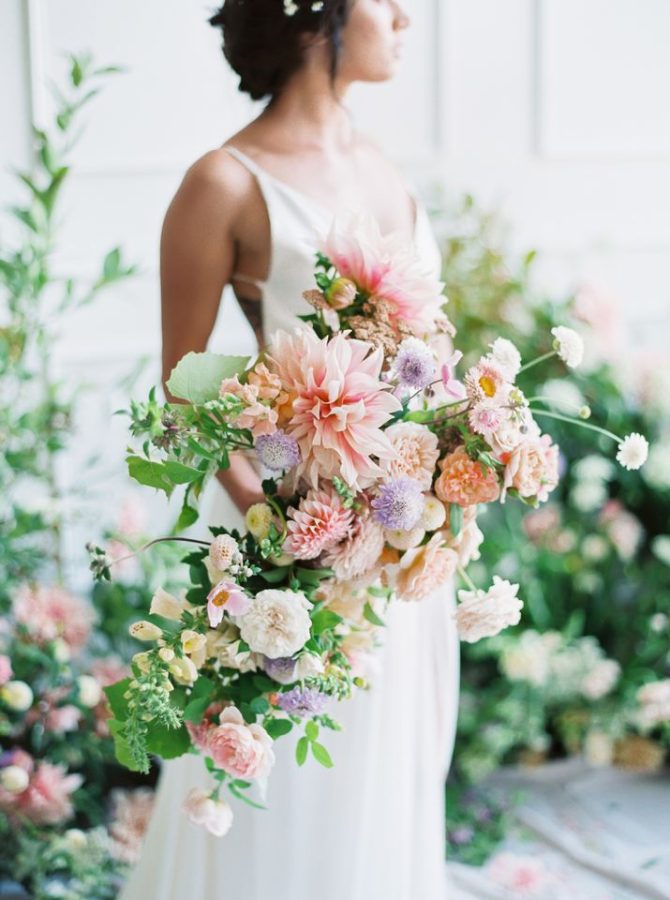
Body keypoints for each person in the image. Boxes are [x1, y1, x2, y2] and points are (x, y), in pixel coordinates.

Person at [119, 1, 460, 897]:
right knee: (293, 792)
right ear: (322, 10)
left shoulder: (381, 161)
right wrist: (285, 539)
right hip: (295, 556)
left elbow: (430, 364)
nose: (404, 16)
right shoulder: (223, 183)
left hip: (404, 538)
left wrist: (446, 486)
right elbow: (182, 401)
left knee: (384, 785)